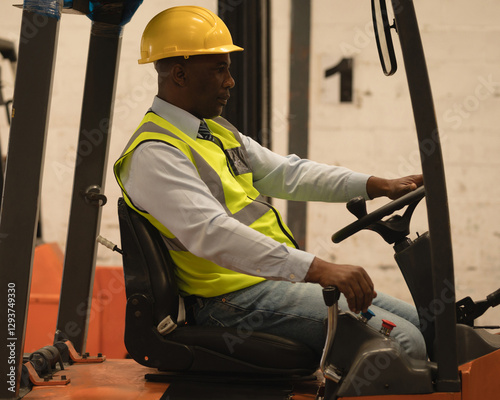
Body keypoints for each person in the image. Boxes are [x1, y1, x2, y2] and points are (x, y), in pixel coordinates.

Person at [114, 5, 426, 360]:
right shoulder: (155, 153)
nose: (230, 81)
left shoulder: (214, 131)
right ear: (180, 75)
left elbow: (289, 174)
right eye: (219, 70)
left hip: (267, 286)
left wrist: (378, 185)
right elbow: (211, 232)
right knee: (402, 344)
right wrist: (318, 269)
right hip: (230, 301)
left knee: (432, 326)